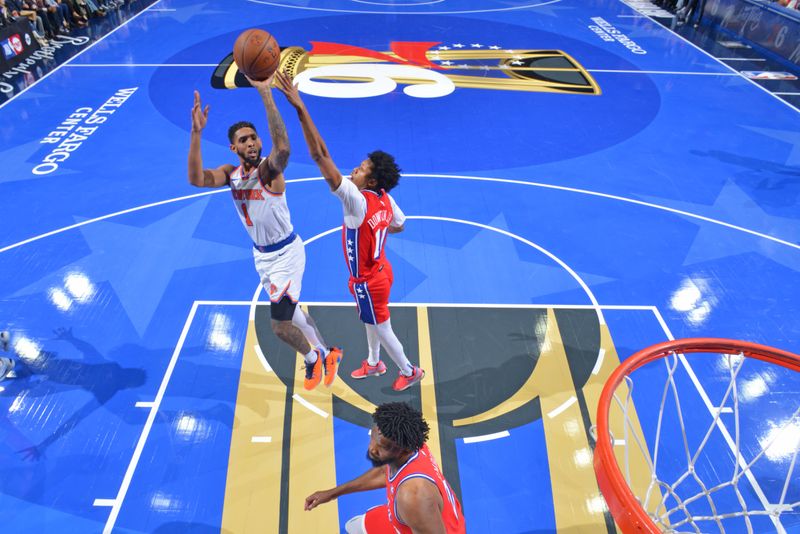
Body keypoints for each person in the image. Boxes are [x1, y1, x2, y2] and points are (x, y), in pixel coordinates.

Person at [188, 73, 342, 391]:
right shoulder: (230, 174)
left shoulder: (267, 172)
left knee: (280, 327)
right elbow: (196, 179)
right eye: (244, 140)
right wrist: (196, 133)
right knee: (296, 316)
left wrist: (266, 94)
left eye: (254, 137)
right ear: (234, 147)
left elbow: (283, 148)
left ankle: (314, 359)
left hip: (286, 254)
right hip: (263, 258)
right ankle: (330, 353)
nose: (251, 142)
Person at [275, 71, 424, 392]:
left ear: (370, 181)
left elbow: (320, 155)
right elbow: (399, 224)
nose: (354, 169)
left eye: (361, 169)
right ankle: (374, 362)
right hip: (383, 270)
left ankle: (409, 370)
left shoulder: (355, 201)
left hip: (369, 280)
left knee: (382, 327)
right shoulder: (385, 197)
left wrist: (300, 108)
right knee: (370, 320)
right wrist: (377, 236)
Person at [305, 402, 466, 533]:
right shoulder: (410, 444)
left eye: (382, 446)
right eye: (373, 437)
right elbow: (384, 471)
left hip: (429, 523)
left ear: (405, 450)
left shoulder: (412, 496)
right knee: (353, 526)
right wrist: (333, 493)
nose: (372, 449)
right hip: (415, 520)